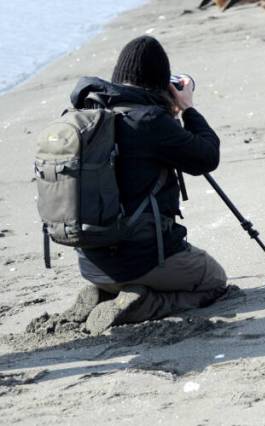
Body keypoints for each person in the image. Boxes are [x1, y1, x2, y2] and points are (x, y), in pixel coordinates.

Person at [63, 35, 227, 333]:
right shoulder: (150, 121)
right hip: (143, 261)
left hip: (91, 263)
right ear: (159, 82)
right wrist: (187, 108)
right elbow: (206, 157)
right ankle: (144, 304)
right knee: (214, 280)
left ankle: (105, 292)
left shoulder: (85, 115)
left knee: (127, 261)